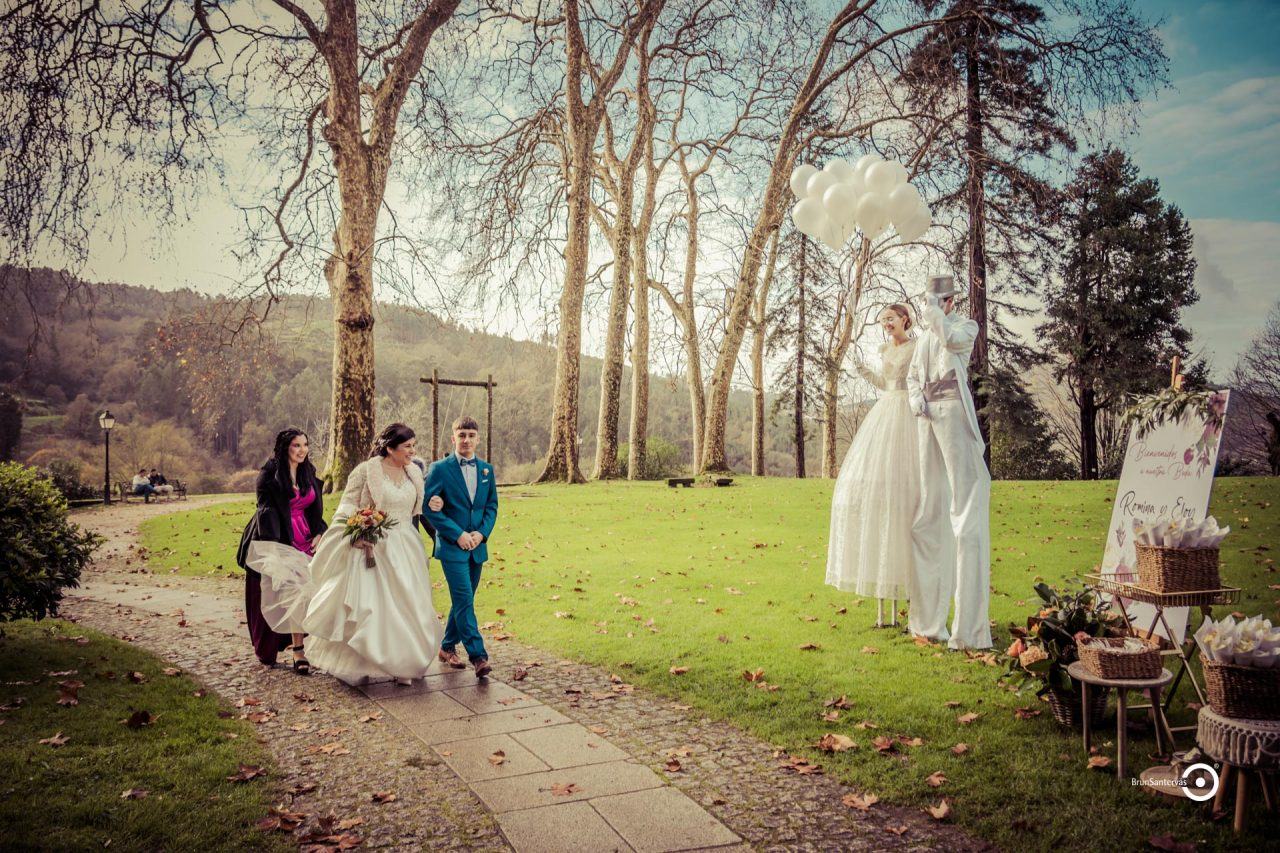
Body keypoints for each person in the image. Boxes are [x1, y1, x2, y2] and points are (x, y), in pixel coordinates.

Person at [251, 424, 445, 686]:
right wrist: (355, 533)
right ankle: (365, 661)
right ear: (390, 448)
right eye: (407, 446)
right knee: (373, 608)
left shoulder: (414, 472)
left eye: (414, 445)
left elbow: (420, 508)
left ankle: (404, 664)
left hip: (407, 547)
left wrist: (436, 507)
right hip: (373, 546)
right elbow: (346, 507)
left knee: (408, 605)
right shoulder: (365, 471)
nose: (412, 451)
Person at [905, 275, 993, 650]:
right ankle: (928, 622)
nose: (930, 308)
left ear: (950, 302)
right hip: (928, 420)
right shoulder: (925, 336)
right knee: (929, 511)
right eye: (928, 302)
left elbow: (952, 342)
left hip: (955, 415)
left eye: (937, 301)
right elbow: (913, 375)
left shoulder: (964, 327)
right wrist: (915, 400)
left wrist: (935, 316)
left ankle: (968, 630)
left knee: (967, 510)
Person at [825, 304, 919, 627]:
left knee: (908, 486)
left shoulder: (915, 347)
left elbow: (914, 380)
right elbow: (885, 381)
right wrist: (862, 370)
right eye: (882, 321)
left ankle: (913, 600)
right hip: (885, 412)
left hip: (908, 412)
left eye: (890, 319)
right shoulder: (884, 349)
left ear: (904, 319)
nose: (886, 324)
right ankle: (883, 608)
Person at [235, 429, 327, 672]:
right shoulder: (269, 474)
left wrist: (320, 532)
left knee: (311, 592)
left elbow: (315, 509)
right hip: (277, 538)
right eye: (296, 445)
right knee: (293, 593)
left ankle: (315, 645)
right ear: (285, 447)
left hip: (306, 538)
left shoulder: (308, 471)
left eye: (305, 445)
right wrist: (274, 549)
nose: (302, 450)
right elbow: (265, 511)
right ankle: (298, 651)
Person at [424, 417, 499, 679]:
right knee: (464, 599)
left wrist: (481, 533)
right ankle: (478, 656)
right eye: (461, 435)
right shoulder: (439, 469)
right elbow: (429, 508)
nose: (466, 439)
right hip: (452, 547)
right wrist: (457, 535)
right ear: (453, 438)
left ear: (477, 438)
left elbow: (491, 507)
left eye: (471, 435)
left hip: (477, 547)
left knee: (463, 600)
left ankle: (446, 647)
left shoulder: (487, 470)